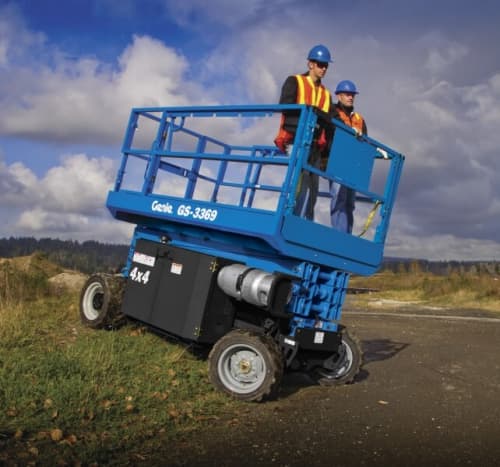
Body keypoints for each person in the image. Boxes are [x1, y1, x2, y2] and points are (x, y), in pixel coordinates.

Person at [274, 44, 336, 220]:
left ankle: (302, 224)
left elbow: (331, 119)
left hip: (316, 146)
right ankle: (288, 220)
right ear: (310, 64)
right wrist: (313, 113)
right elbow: (285, 106)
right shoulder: (294, 81)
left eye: (326, 66)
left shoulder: (326, 93)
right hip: (297, 141)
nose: (323, 68)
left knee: (312, 191)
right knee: (297, 185)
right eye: (320, 64)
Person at [329, 79, 367, 233]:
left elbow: (365, 141)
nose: (350, 97)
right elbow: (333, 132)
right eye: (347, 94)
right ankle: (338, 235)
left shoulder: (359, 118)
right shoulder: (332, 111)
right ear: (338, 96)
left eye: (352, 95)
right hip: (338, 162)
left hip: (353, 165)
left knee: (350, 203)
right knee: (338, 199)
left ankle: (346, 235)